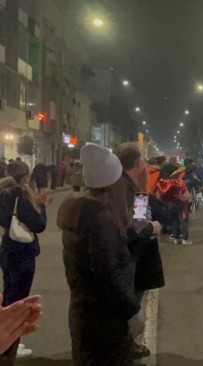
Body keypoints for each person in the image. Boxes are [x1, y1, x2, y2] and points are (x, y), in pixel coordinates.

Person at [57, 143, 140, 366]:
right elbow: (108, 274)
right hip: (104, 322)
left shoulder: (79, 211)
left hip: (84, 316)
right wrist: (132, 306)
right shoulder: (100, 219)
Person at [115, 143, 165, 359]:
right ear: (138, 163)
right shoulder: (126, 188)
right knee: (130, 302)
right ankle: (126, 345)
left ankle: (126, 344)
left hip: (135, 255)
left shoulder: (129, 186)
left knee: (131, 299)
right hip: (132, 255)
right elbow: (136, 225)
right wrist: (151, 228)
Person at [0, 161, 52, 363]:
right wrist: (43, 206)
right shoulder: (22, 195)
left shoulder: (4, 192)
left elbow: (5, 220)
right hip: (22, 254)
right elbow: (39, 225)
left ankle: (7, 340)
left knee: (9, 294)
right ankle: (10, 347)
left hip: (7, 250)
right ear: (25, 177)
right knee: (19, 300)